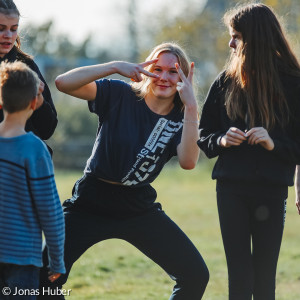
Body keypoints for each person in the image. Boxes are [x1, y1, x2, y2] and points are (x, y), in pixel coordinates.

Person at [38, 42, 209, 299]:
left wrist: (192, 107)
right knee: (44, 277)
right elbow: (63, 83)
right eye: (157, 68)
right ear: (146, 69)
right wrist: (115, 66)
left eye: (173, 71)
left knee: (195, 275)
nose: (164, 77)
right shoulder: (120, 94)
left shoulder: (183, 116)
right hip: (91, 201)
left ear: (184, 76)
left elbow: (188, 161)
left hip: (137, 206)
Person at [198, 3, 300, 300]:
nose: (231, 43)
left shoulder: (293, 85)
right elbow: (204, 135)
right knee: (239, 276)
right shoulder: (225, 81)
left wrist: (273, 143)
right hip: (230, 190)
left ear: (254, 38)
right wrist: (221, 140)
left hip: (271, 190)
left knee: (265, 277)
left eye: (236, 36)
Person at [0, 61, 65, 299]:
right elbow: (50, 210)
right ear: (34, 102)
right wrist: (56, 260)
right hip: (22, 258)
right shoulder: (35, 150)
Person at [0, 0, 57, 152]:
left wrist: (39, 103)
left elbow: (47, 131)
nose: (8, 35)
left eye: (14, 29)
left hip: (26, 161)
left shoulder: (27, 66)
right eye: (1, 28)